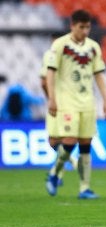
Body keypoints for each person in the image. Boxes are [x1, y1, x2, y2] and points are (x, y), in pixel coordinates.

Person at [45, 9, 106, 199]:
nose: (85, 31)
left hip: (87, 102)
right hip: (66, 102)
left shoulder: (93, 47)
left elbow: (99, 74)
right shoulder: (60, 45)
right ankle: (55, 173)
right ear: (72, 26)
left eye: (88, 27)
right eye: (81, 27)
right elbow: (50, 73)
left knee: (85, 144)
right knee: (69, 140)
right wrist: (52, 97)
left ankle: (84, 188)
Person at [41, 32, 77, 185]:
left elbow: (43, 81)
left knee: (55, 140)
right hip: (71, 101)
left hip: (57, 102)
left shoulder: (50, 55)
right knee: (61, 139)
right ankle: (59, 172)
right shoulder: (73, 56)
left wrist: (50, 99)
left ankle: (63, 168)